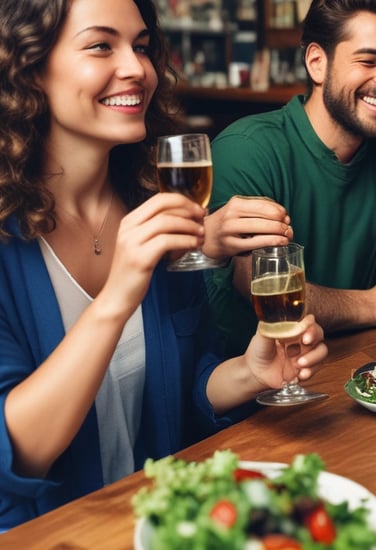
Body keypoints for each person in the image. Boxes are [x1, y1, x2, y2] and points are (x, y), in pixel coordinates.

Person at [0, 0, 327, 529]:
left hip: (160, 526)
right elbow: (16, 454)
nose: (137, 68)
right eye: (101, 44)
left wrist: (249, 371)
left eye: (143, 47)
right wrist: (117, 297)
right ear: (29, 68)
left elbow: (190, 385)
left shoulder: (156, 208)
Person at [206, 0, 376, 357]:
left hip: (358, 368)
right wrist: (371, 305)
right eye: (369, 61)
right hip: (257, 390)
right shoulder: (247, 151)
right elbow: (267, 289)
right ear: (317, 63)